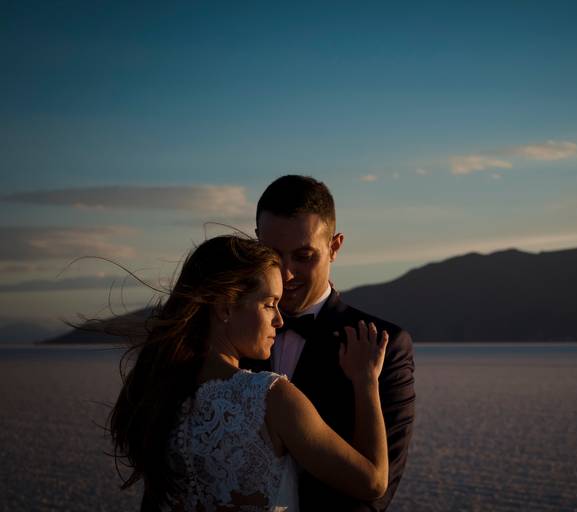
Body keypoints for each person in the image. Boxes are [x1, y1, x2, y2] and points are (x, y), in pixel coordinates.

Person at [109, 235, 390, 511]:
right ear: (226, 308)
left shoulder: (159, 393)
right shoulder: (270, 397)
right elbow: (373, 483)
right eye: (269, 304)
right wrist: (366, 381)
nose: (279, 319)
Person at [244, 175, 415, 511]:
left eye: (304, 256)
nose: (287, 272)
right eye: (273, 254)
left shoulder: (385, 343)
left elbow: (377, 491)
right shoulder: (229, 331)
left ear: (335, 247)